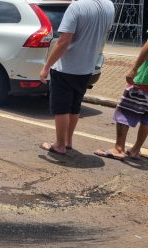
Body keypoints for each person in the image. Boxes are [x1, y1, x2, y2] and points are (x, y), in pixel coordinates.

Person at [39, 0, 114, 155]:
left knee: (61, 108)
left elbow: (63, 41)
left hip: (66, 67)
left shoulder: (76, 7)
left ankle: (59, 145)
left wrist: (46, 67)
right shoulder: (109, 6)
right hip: (87, 67)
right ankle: (68, 140)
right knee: (74, 106)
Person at [94, 23, 148, 161]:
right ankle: (135, 150)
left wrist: (134, 69)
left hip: (145, 77)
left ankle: (118, 148)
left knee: (124, 111)